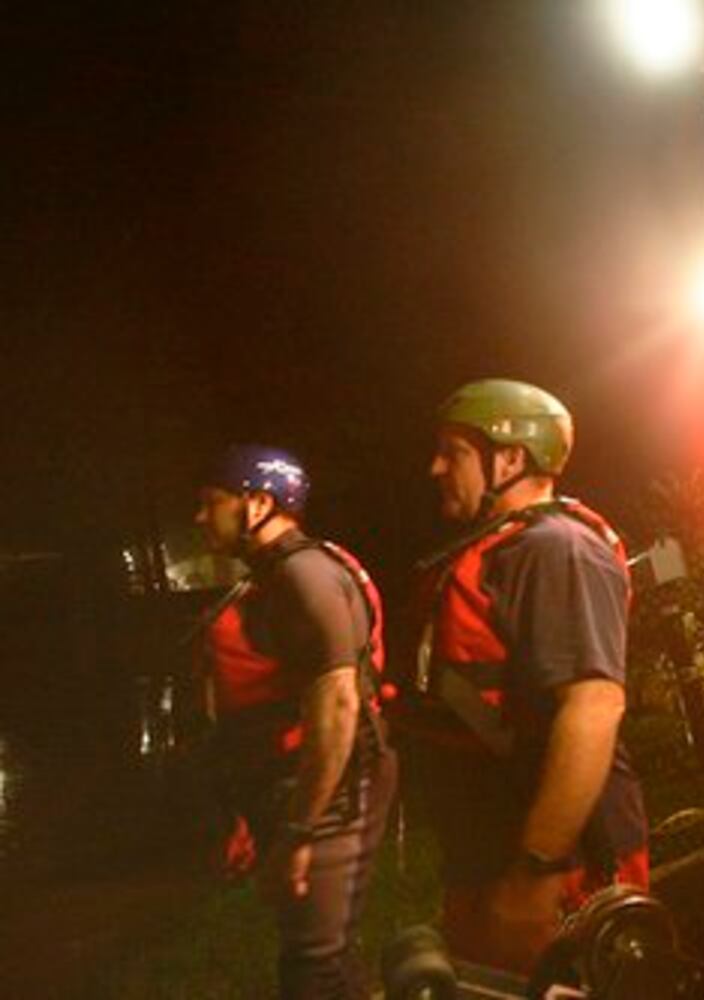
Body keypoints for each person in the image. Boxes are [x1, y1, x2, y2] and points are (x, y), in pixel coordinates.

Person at [394, 378, 647, 974]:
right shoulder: (502, 552)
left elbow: (593, 708)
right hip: (492, 846)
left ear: (509, 458)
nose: (435, 468)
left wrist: (536, 871)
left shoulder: (556, 549)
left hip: (559, 864)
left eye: (452, 453)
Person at [194, 445, 398, 999]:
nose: (200, 516)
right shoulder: (274, 578)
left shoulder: (305, 575)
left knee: (311, 967)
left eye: (211, 502)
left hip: (331, 793)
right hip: (296, 791)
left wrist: (301, 828)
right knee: (324, 954)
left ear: (257, 503)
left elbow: (337, 704)